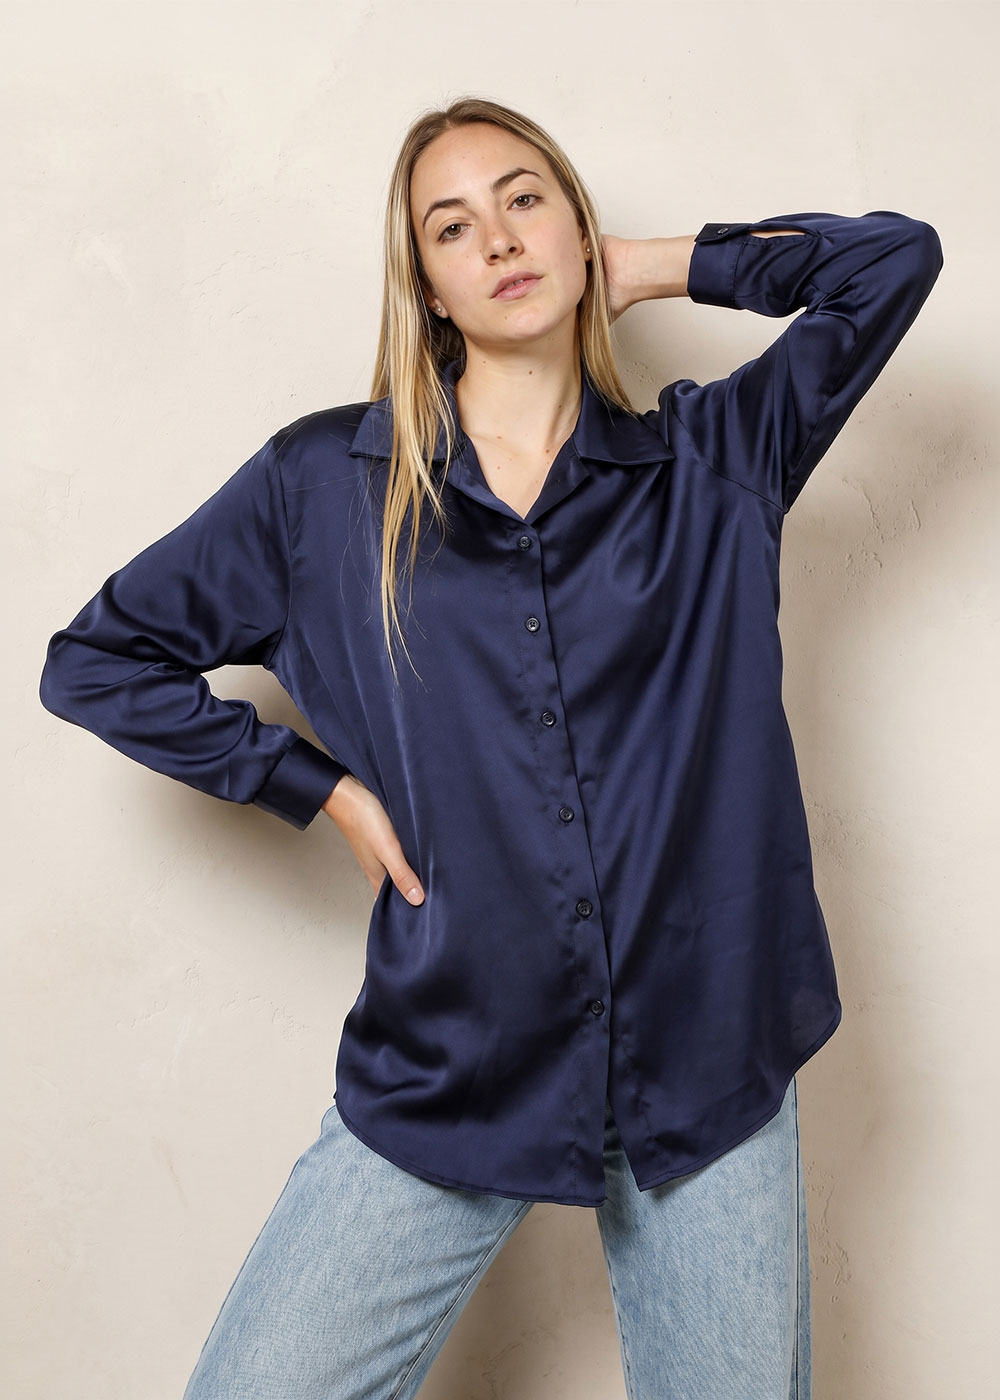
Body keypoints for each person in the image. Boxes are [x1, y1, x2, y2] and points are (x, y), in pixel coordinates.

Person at [38, 96, 943, 1399]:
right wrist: (318, 786)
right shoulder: (321, 493)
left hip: (708, 1057)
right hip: (455, 1054)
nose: (501, 239)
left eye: (527, 198)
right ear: (429, 290)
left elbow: (891, 262)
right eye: (453, 228)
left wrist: (647, 263)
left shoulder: (713, 462)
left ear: (575, 221)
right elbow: (97, 661)